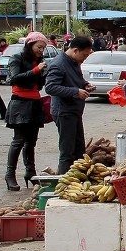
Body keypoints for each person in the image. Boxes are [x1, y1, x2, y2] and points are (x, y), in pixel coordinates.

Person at [4, 32, 50, 191]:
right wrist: (37, 70)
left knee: (31, 141)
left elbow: (38, 85)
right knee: (19, 140)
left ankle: (30, 172)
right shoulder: (17, 58)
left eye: (43, 48)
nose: (41, 50)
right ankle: (10, 174)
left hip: (34, 102)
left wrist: (44, 73)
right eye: (39, 47)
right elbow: (14, 78)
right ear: (30, 45)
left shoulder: (39, 61)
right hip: (20, 103)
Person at [44, 35, 95, 176]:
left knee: (79, 150)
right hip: (64, 112)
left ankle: (78, 179)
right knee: (67, 151)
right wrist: (75, 92)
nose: (84, 59)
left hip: (74, 111)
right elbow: (50, 87)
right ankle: (65, 182)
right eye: (84, 55)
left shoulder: (74, 62)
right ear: (75, 50)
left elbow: (76, 79)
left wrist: (85, 84)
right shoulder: (58, 64)